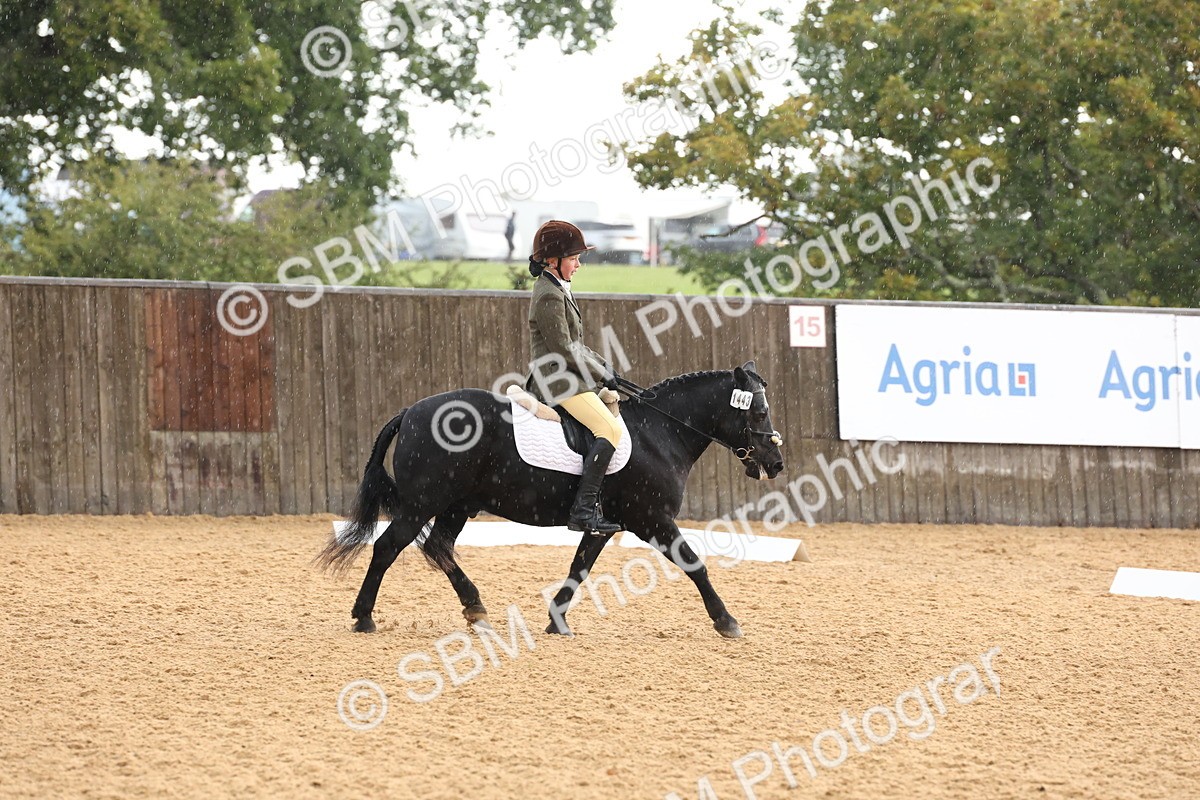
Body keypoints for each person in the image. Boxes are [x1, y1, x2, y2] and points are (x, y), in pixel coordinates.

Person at [523, 220, 622, 535]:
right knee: (609, 428)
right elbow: (564, 349)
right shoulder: (549, 294)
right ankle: (582, 511)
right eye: (574, 258)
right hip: (557, 380)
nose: (578, 265)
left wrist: (606, 367)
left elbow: (576, 345)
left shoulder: (557, 288)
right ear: (553, 260)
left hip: (569, 377)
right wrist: (601, 372)